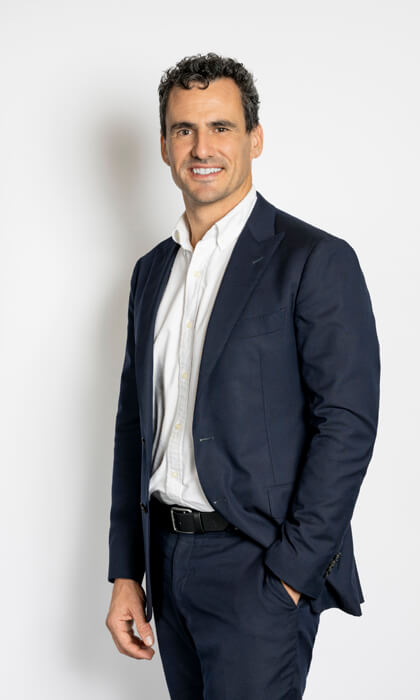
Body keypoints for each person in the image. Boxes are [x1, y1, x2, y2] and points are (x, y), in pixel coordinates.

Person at [105, 52, 381, 698]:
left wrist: (290, 574)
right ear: (165, 146)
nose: (202, 148)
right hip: (166, 563)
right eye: (184, 129)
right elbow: (132, 426)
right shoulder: (151, 272)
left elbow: (347, 425)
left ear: (254, 138)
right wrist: (126, 571)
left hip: (257, 569)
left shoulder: (313, 260)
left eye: (221, 127)